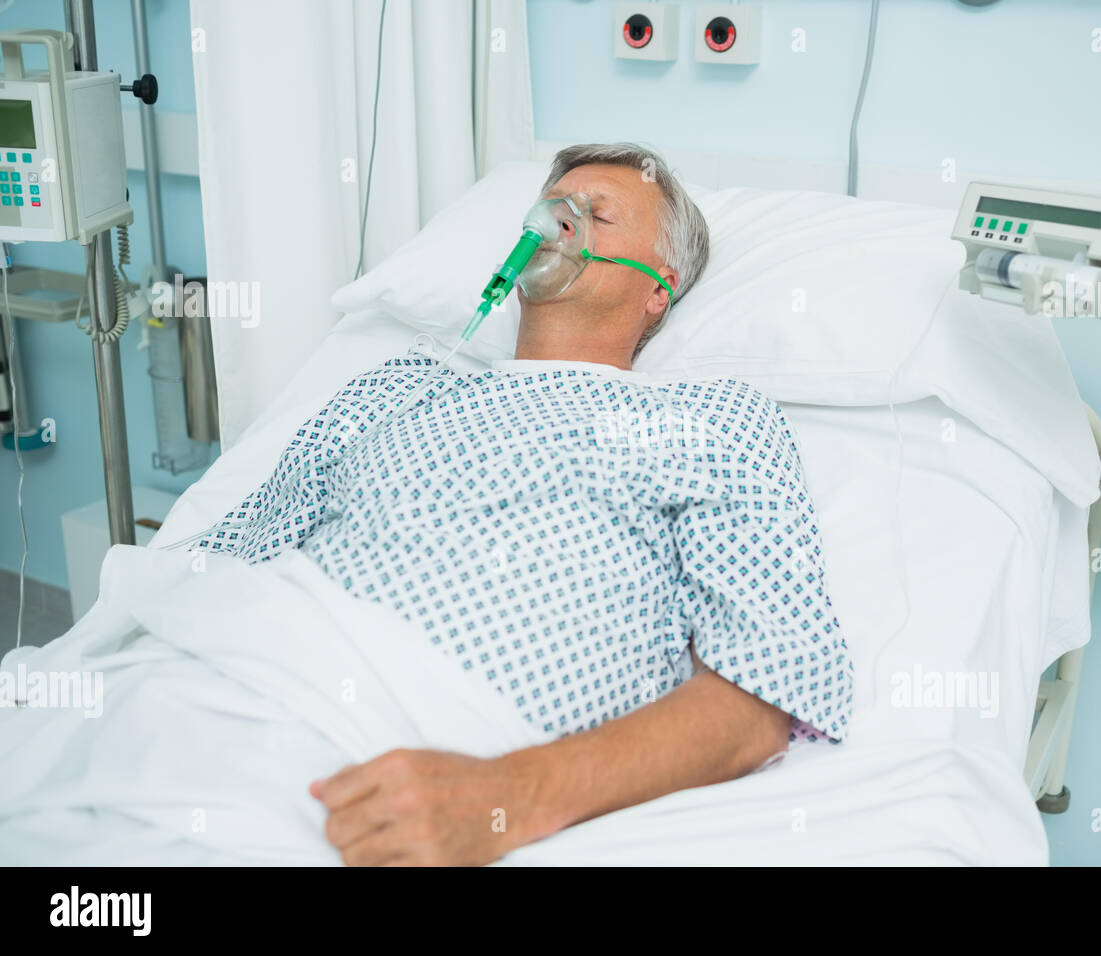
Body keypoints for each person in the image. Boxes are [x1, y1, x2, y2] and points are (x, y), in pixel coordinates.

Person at [193, 143, 853, 865]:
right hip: (232, 682)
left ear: (657, 288)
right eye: (550, 210)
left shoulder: (709, 421)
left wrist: (508, 796)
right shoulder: (403, 385)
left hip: (402, 755)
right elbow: (226, 565)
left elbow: (759, 699)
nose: (556, 224)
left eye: (597, 215)